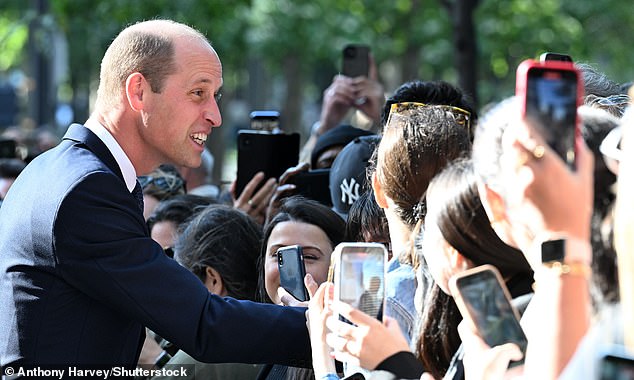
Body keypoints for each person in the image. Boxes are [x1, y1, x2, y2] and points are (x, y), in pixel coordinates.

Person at [0, 19, 311, 371]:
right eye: (198, 93)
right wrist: (326, 330)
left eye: (215, 96)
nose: (215, 116)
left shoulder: (61, 171)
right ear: (139, 92)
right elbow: (203, 322)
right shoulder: (85, 189)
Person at [152, 204, 264, 380]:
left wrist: (155, 360)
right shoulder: (279, 334)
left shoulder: (206, 356)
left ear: (213, 280)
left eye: (182, 279)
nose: (177, 293)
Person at [257, 196, 345, 380]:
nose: (291, 270)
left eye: (309, 256)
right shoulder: (262, 343)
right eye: (278, 255)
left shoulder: (349, 353)